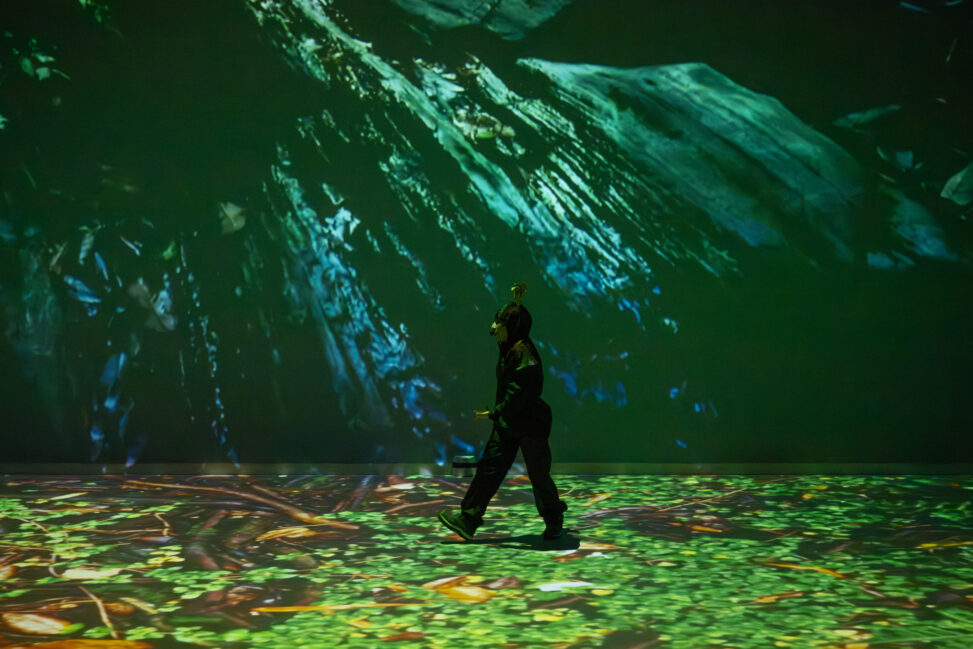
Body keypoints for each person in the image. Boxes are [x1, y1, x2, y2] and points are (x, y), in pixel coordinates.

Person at [439, 283, 567, 540]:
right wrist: (499, 415)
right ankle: (468, 520)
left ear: (512, 327)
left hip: (529, 425)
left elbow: (518, 394)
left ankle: (554, 518)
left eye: (499, 323)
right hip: (508, 424)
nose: (493, 328)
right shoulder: (510, 348)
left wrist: (495, 413)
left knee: (538, 476)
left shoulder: (524, 356)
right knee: (489, 469)